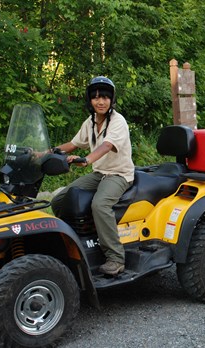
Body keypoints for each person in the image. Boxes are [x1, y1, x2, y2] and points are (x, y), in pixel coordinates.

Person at [51, 76, 134, 276]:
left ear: (111, 99)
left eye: (105, 97)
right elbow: (73, 144)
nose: (100, 101)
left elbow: (107, 146)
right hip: (99, 173)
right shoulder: (90, 122)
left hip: (119, 174)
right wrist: (47, 152)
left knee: (100, 204)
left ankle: (115, 257)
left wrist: (86, 160)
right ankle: (77, 242)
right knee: (60, 199)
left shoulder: (118, 121)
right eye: (96, 97)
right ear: (90, 100)